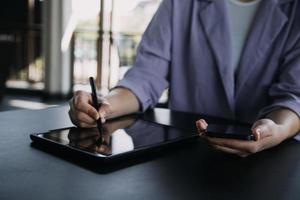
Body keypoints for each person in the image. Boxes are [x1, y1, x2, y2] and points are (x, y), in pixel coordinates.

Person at [69, 0, 300, 157]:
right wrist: (104, 105)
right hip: (188, 157)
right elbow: (145, 76)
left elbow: (294, 96)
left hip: (272, 160)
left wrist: (277, 128)